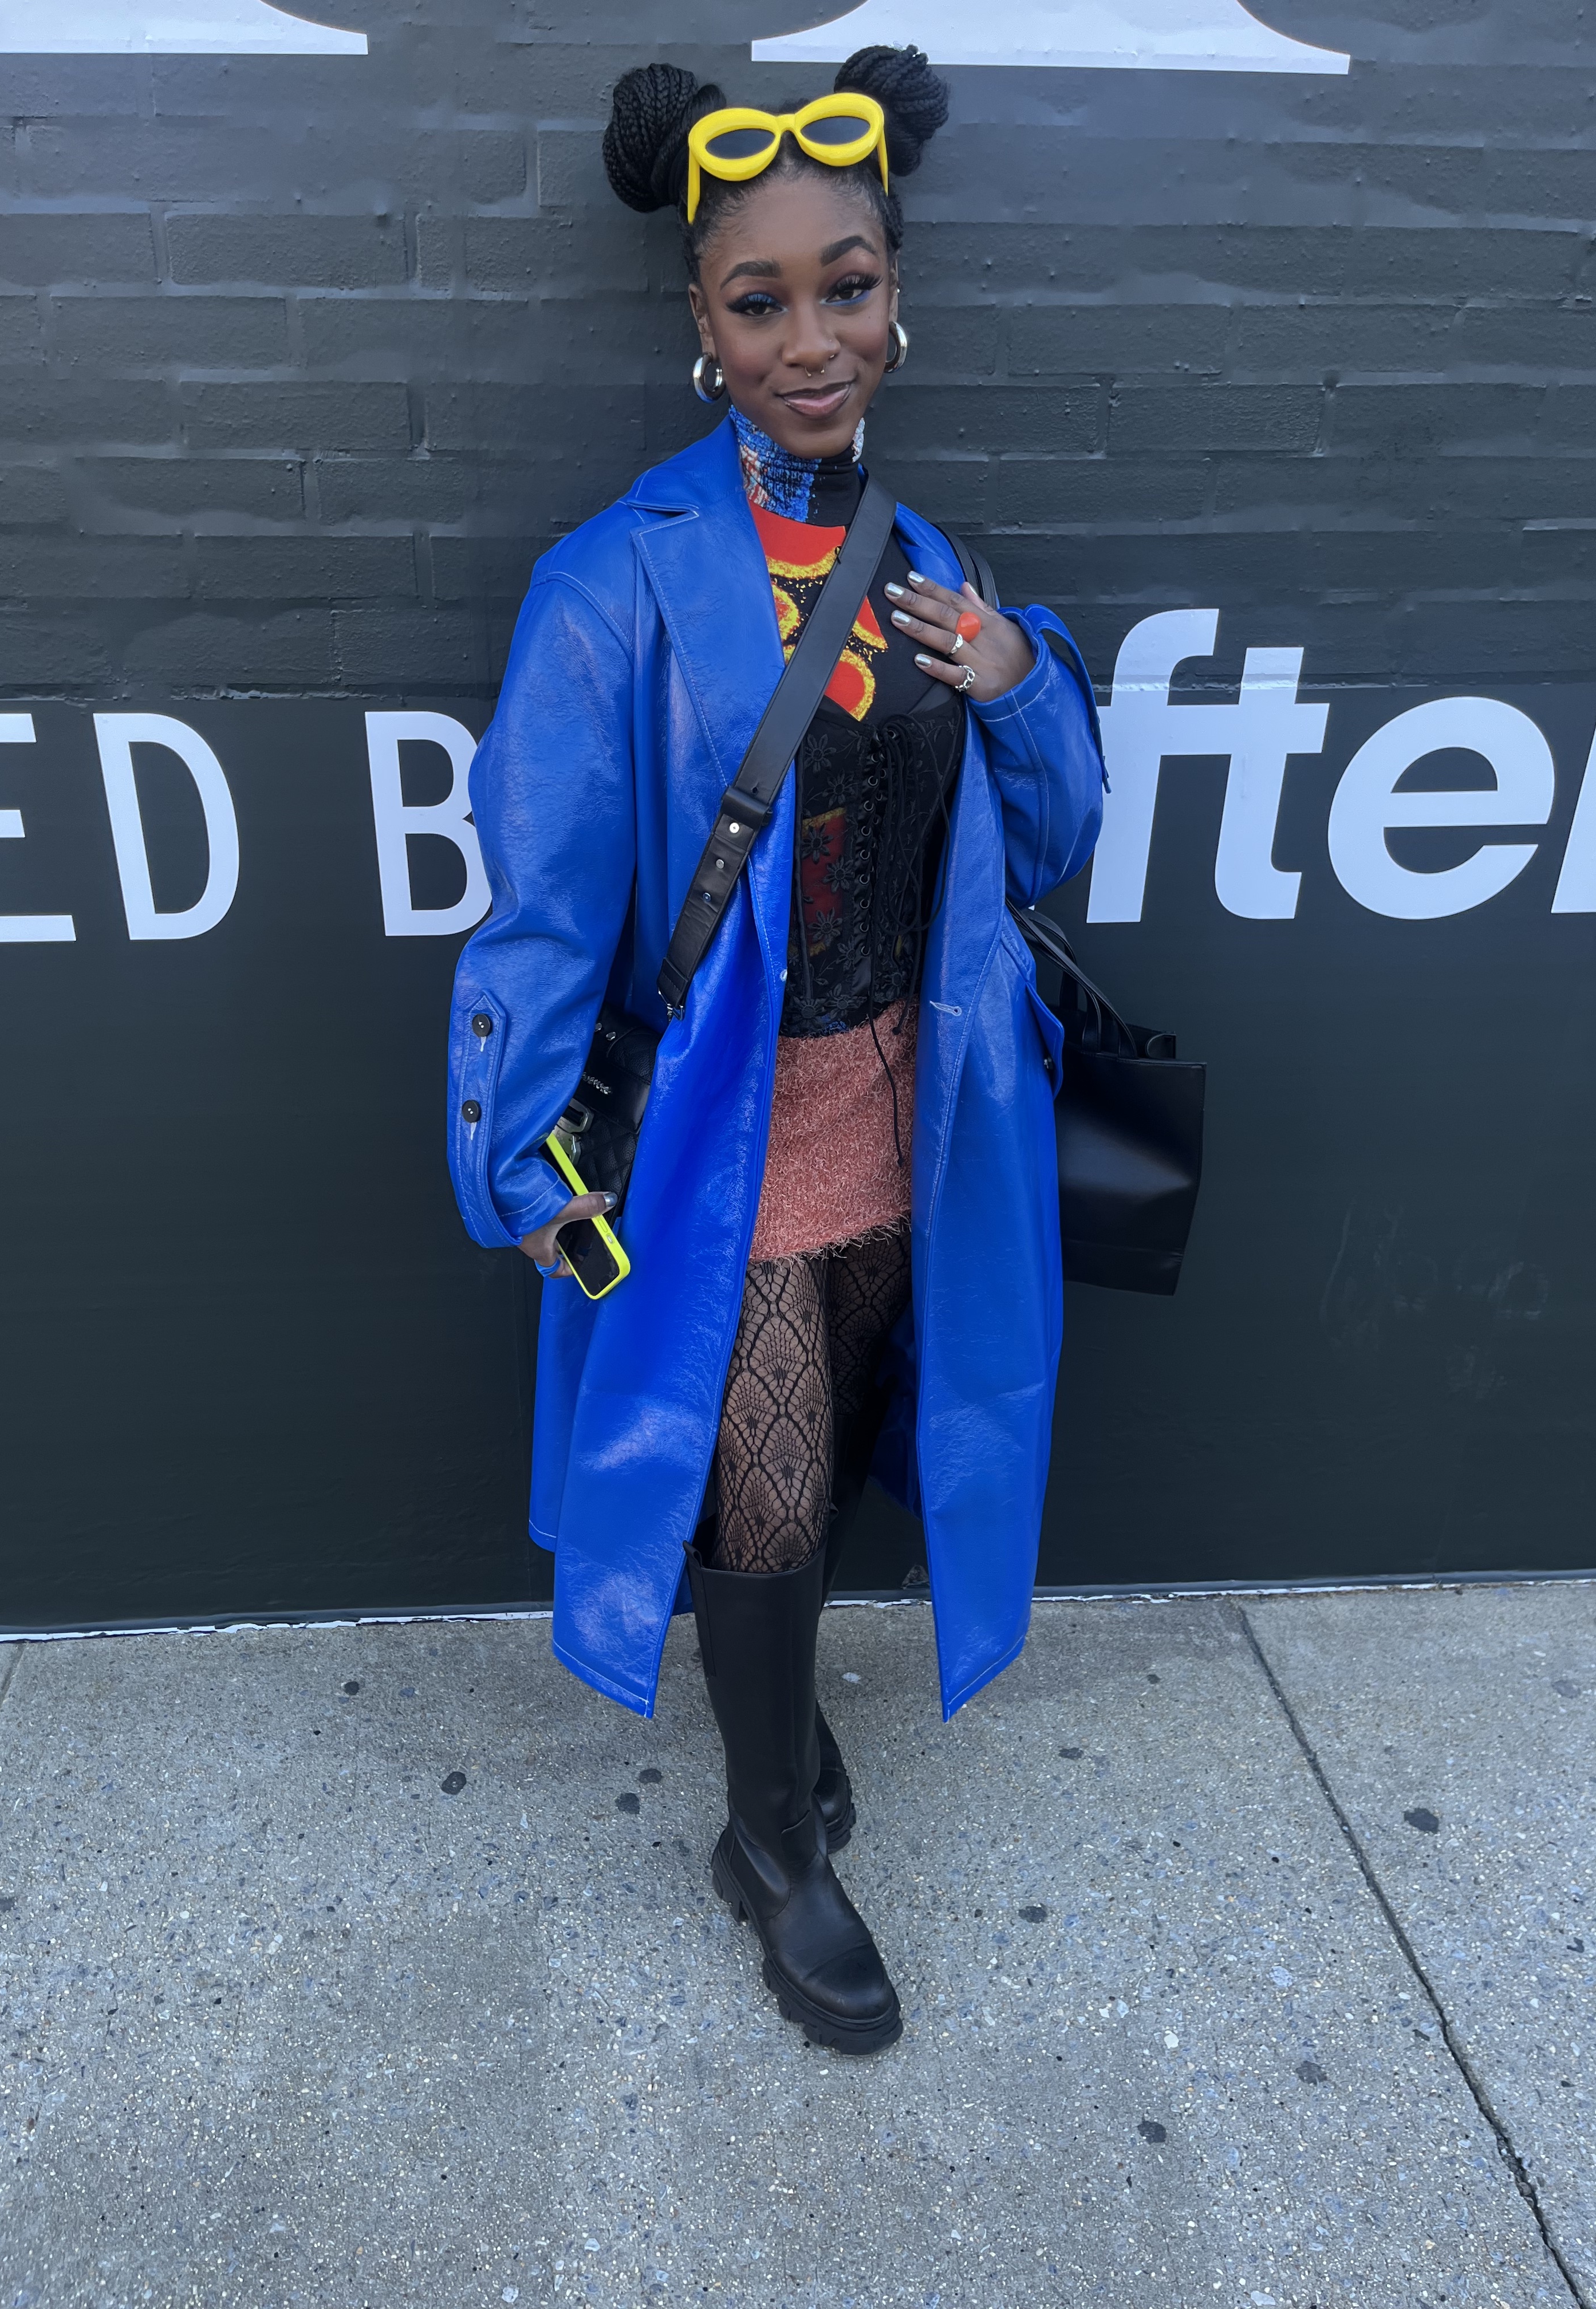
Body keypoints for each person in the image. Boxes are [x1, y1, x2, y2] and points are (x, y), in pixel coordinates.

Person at [447, 45, 1105, 2056]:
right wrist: (525, 1158)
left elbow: (1057, 845)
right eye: (763, 300)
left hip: (920, 1108)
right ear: (701, 329)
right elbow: (546, 909)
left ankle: (785, 1725)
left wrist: (1015, 677)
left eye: (849, 285)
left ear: (901, 294)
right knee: (766, 1487)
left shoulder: (933, 568)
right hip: (732, 1140)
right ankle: (769, 1846)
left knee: (869, 1452)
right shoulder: (611, 586)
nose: (814, 340)